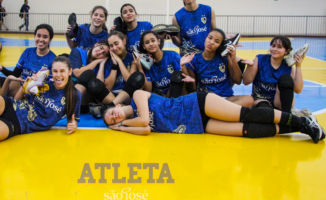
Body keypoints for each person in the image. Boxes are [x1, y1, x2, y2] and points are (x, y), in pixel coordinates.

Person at [102, 90, 325, 144]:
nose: (115, 117)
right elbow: (147, 129)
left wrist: (123, 123)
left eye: (113, 113)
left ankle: (301, 120)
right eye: (112, 120)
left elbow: (142, 121)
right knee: (248, 130)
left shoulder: (138, 96)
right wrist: (122, 128)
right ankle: (301, 128)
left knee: (246, 114)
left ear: (119, 105)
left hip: (197, 105)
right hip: (196, 126)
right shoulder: (129, 123)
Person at [185, 29, 254, 107]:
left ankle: (218, 111)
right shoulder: (194, 60)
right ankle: (224, 112)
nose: (211, 42)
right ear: (205, 38)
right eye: (210, 38)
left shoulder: (224, 57)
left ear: (220, 45)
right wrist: (183, 67)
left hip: (226, 98)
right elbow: (193, 89)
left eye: (216, 41)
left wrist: (233, 59)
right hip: (207, 100)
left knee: (249, 100)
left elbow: (238, 81)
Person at [243, 36, 307, 113]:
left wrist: (298, 66)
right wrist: (249, 67)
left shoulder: (288, 66)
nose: (275, 49)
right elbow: (246, 82)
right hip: (261, 100)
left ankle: (287, 114)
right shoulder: (260, 59)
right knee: (267, 112)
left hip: (279, 101)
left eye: (279, 47)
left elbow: (298, 90)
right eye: (273, 46)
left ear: (286, 51)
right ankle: (289, 115)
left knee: (286, 78)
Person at [0, 24, 57, 96]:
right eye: (38, 36)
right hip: (20, 87)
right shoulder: (28, 52)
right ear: (34, 37)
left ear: (50, 39)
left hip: (37, 93)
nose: (41, 39)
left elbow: (50, 86)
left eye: (45, 37)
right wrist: (1, 68)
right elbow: (15, 74)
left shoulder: (53, 60)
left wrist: (31, 88)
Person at [135, 30, 194, 98]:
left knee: (177, 76)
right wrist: (140, 68)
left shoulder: (172, 55)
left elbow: (184, 79)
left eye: (153, 41)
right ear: (144, 46)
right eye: (147, 42)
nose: (151, 44)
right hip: (160, 100)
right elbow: (148, 89)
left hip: (176, 95)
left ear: (158, 42)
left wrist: (182, 66)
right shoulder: (147, 64)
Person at [69, 40, 110, 112]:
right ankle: (69, 104)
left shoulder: (101, 64)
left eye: (104, 53)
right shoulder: (78, 52)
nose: (100, 52)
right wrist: (95, 62)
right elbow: (77, 73)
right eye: (100, 48)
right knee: (89, 74)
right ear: (96, 44)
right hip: (71, 91)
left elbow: (99, 87)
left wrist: (102, 65)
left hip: (87, 99)